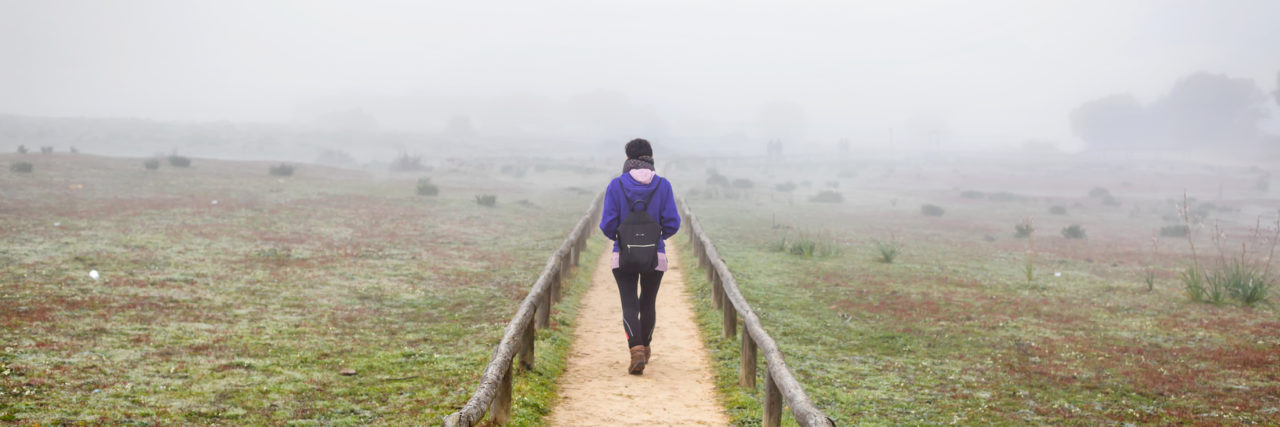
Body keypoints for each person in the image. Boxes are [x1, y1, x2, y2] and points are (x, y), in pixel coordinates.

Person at [599, 138, 681, 375]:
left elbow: (607, 225)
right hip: (655, 256)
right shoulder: (663, 185)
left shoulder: (616, 186)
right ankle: (645, 347)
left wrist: (622, 238)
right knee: (648, 303)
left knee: (629, 304)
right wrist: (656, 238)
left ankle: (635, 350)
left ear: (628, 159)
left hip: (622, 256)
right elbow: (673, 223)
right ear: (650, 157)